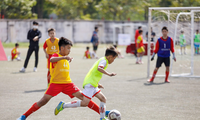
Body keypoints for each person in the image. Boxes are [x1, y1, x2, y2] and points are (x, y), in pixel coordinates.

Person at [17, 37, 102, 120]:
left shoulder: (66, 58)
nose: (69, 50)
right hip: (55, 84)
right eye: (68, 48)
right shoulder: (57, 55)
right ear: (62, 48)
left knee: (84, 98)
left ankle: (103, 113)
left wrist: (65, 58)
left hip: (68, 84)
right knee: (42, 101)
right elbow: (52, 60)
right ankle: (24, 116)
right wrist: (64, 57)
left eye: (70, 49)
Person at [54, 46, 118, 120]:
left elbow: (95, 73)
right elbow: (99, 68)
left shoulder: (103, 60)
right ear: (110, 56)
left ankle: (102, 118)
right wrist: (109, 74)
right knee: (85, 103)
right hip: (90, 84)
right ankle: (63, 105)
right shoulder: (104, 61)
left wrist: (97, 84)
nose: (114, 60)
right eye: (114, 58)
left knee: (103, 99)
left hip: (93, 84)